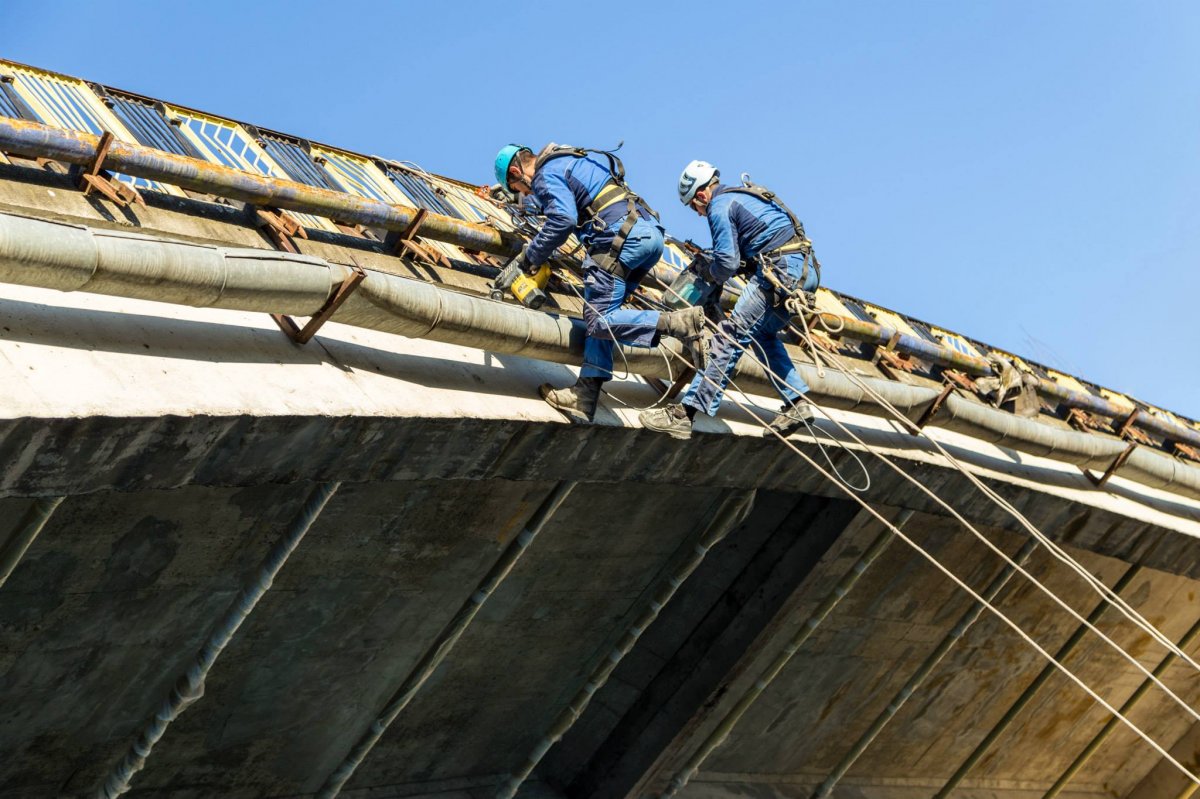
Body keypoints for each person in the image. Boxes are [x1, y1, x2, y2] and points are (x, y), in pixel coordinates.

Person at [493, 144, 705, 424]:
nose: (525, 194)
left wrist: (530, 257)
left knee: (599, 321)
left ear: (517, 171)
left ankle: (679, 324)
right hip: (646, 236)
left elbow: (563, 219)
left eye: (519, 188)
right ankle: (586, 396)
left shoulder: (544, 174)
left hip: (617, 239)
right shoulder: (568, 161)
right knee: (602, 315)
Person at [639, 160, 820, 440]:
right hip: (804, 271)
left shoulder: (719, 205)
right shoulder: (743, 195)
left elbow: (725, 262)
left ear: (701, 195)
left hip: (779, 270)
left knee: (729, 337)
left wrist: (708, 273)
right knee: (762, 335)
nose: (699, 214)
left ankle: (684, 415)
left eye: (694, 207)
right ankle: (798, 403)